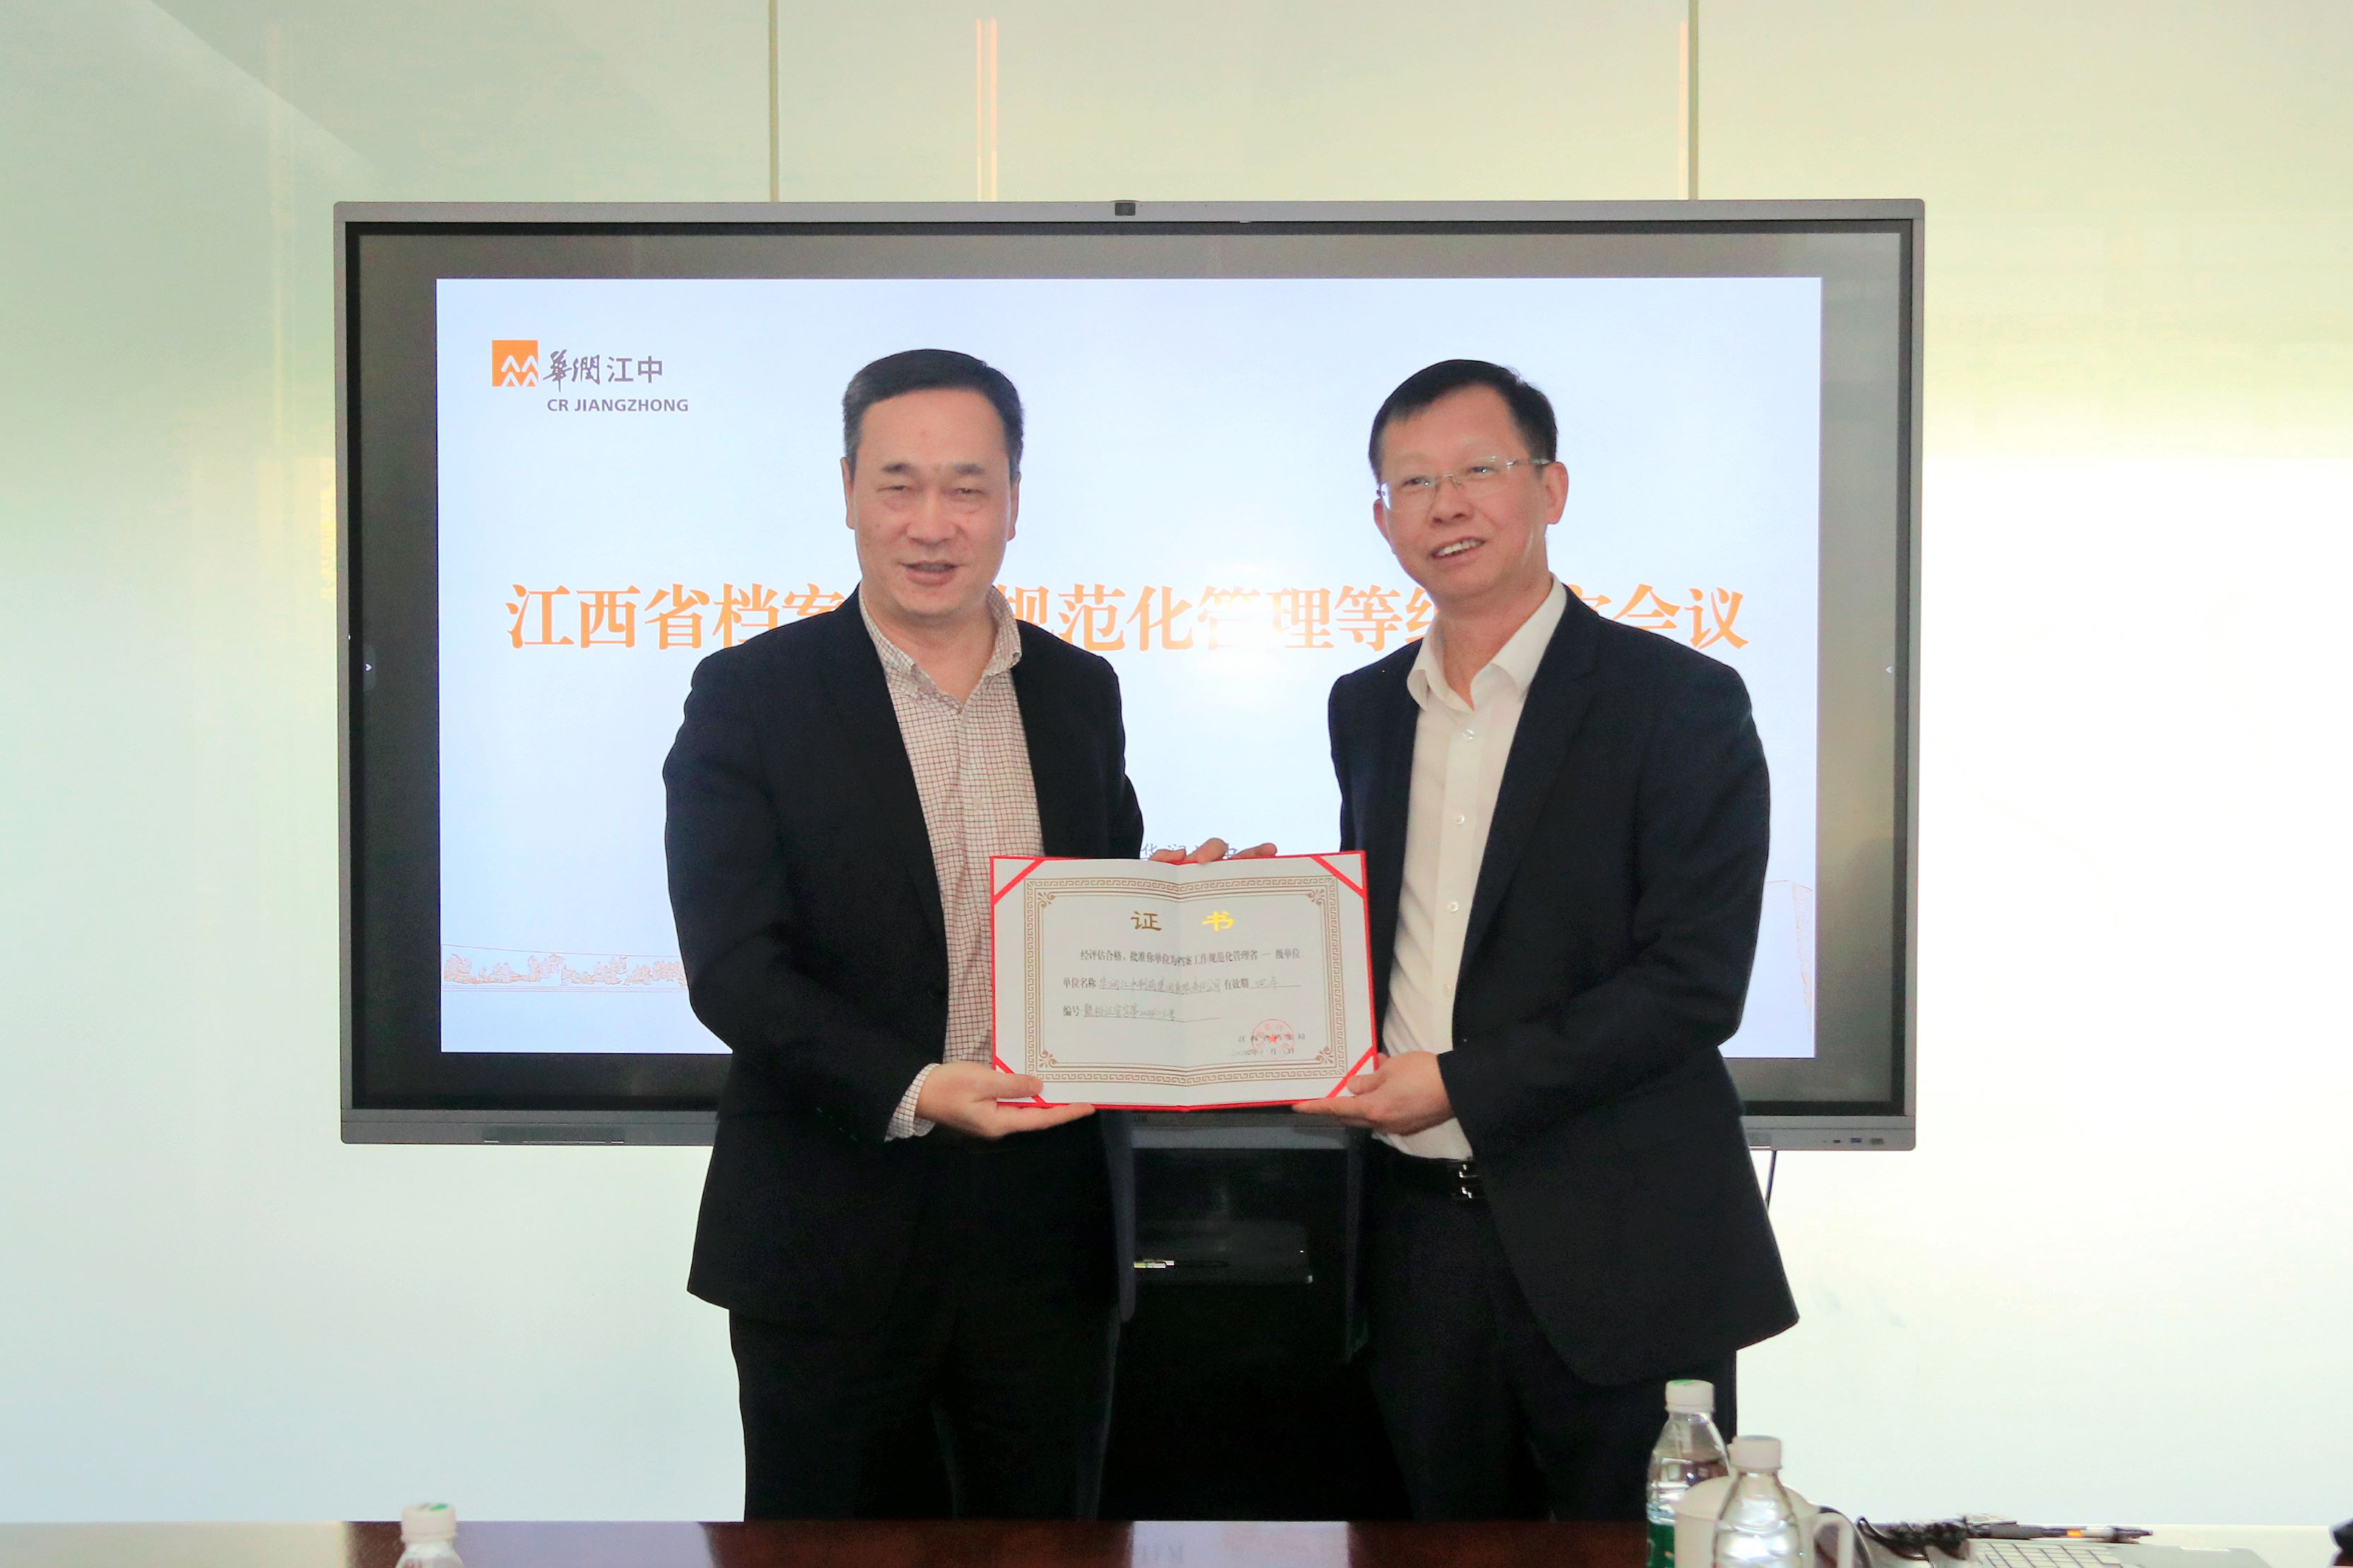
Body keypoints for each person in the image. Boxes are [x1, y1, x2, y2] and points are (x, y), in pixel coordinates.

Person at [663, 348, 1257, 1521]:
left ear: (1014, 502)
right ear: (848, 491)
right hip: (830, 1234)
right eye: (899, 484)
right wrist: (921, 1088)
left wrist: (1178, 916)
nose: (932, 523)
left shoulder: (1079, 690)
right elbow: (734, 968)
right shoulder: (751, 694)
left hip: (1047, 1240)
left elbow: (1097, 912)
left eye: (967, 487)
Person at [1296, 359, 1798, 1520]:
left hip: (1621, 1244)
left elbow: (1693, 984)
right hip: (1418, 1243)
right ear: (1382, 518)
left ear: (1551, 488)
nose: (1446, 506)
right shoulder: (1366, 706)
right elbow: (1391, 936)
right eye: (1413, 483)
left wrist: (1459, 1083)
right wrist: (1236, 919)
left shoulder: (1677, 700)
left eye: (1479, 470)